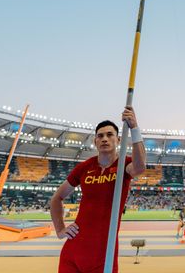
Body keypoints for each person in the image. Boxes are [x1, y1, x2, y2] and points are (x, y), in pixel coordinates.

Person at [50, 106, 146, 273]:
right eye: (100, 136)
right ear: (95, 141)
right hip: (73, 251)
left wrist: (135, 128)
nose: (104, 139)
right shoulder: (84, 167)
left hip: (104, 254)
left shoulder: (124, 164)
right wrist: (60, 229)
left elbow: (140, 167)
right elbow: (56, 198)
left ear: (118, 140)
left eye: (110, 135)